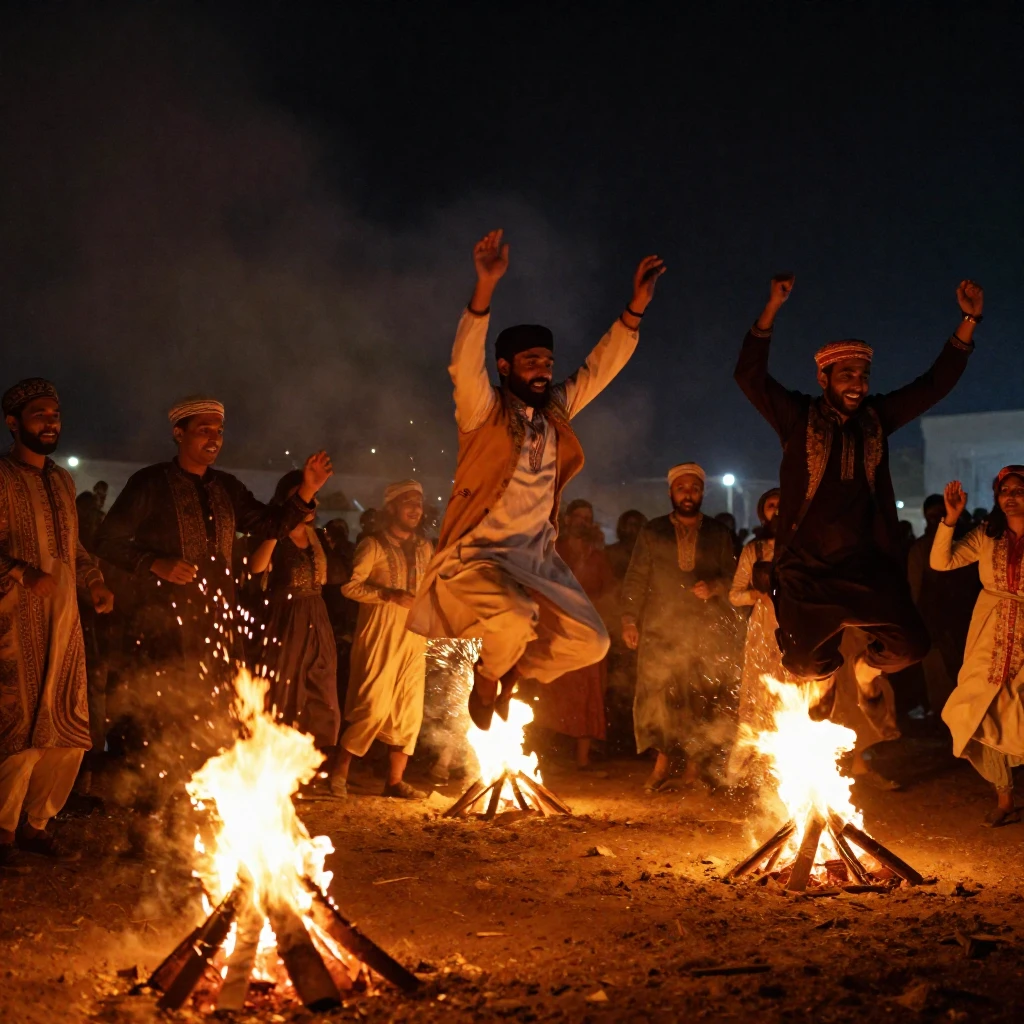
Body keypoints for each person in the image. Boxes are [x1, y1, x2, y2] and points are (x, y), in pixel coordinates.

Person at [408, 229, 666, 731]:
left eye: (547, 362)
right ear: (505, 367)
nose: (544, 371)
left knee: (592, 642)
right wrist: (485, 287)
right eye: (531, 362)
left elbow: (599, 369)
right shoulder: (483, 412)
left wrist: (635, 308)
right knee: (513, 616)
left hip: (537, 559)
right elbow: (464, 364)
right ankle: (487, 679)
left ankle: (514, 673)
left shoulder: (555, 413)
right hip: (479, 556)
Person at [734, 272, 983, 718]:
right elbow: (749, 376)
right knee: (802, 662)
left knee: (912, 645)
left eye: (864, 376)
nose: (858, 384)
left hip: (867, 567)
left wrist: (968, 321)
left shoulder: (876, 419)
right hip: (807, 571)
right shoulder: (797, 416)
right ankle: (827, 676)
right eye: (847, 374)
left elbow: (933, 385)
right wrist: (771, 308)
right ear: (823, 376)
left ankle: (865, 671)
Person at [94, 396, 332, 835]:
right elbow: (106, 539)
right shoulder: (150, 483)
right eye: (204, 430)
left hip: (217, 624)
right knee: (160, 718)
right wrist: (154, 562)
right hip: (162, 625)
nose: (214, 439)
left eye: (219, 431)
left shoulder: (227, 487)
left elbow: (270, 524)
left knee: (216, 714)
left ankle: (199, 818)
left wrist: (307, 491)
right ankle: (150, 824)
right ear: (179, 433)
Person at [0, 379, 115, 867]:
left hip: (64, 622)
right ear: (14, 423)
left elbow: (74, 547)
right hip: (13, 623)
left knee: (68, 730)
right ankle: (3, 833)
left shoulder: (64, 482)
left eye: (55, 414)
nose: (51, 422)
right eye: (39, 414)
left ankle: (37, 824)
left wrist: (94, 581)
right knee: (19, 729)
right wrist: (22, 573)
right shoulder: (2, 477)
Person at [622, 463, 738, 791]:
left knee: (699, 697)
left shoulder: (718, 533)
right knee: (660, 695)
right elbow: (636, 577)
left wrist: (716, 586)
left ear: (702, 493)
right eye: (682, 488)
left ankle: (693, 770)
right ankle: (661, 767)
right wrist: (629, 619)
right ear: (671, 492)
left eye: (694, 489)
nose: (688, 494)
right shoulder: (653, 531)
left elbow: (735, 576)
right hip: (660, 627)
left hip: (704, 630)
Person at [931, 471, 1024, 826]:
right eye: (1004, 490)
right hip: (989, 633)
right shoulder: (988, 533)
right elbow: (941, 561)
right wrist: (951, 518)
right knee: (980, 710)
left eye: (1019, 490)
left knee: (1018, 713)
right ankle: (1004, 797)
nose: (1010, 496)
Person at [332, 480, 434, 799]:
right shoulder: (373, 545)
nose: (415, 509)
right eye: (408, 502)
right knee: (372, 707)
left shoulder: (425, 548)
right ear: (391, 508)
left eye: (419, 503)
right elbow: (350, 587)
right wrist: (388, 595)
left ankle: (394, 781)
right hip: (379, 634)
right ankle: (339, 774)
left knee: (409, 710)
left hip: (415, 636)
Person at [250, 471, 340, 754]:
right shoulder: (274, 535)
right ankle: (278, 751)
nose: (309, 502)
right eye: (301, 496)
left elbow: (332, 576)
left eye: (312, 496)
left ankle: (314, 752)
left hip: (316, 615)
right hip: (286, 618)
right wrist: (277, 529)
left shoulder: (318, 537)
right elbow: (255, 568)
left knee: (321, 681)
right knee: (286, 682)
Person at [532, 499, 614, 769]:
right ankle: (547, 756)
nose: (583, 522)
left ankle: (582, 759)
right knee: (553, 693)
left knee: (588, 693)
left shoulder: (597, 556)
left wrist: (591, 609)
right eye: (578, 517)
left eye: (588, 518)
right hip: (557, 632)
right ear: (567, 520)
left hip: (588, 633)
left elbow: (608, 591)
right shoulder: (554, 551)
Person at [908, 494, 979, 715]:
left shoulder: (968, 544)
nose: (936, 520)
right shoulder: (921, 549)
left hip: (965, 622)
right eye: (931, 516)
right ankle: (942, 722)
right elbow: (915, 589)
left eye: (940, 514)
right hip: (935, 626)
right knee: (939, 679)